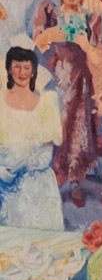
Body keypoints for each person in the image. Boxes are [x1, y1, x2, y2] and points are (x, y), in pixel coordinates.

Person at [31, 0, 102, 207]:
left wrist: (86, 44)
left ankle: (75, 182)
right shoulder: (52, 16)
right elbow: (38, 43)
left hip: (83, 80)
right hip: (58, 79)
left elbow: (99, 51)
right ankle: (50, 179)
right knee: (57, 128)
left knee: (79, 131)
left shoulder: (90, 17)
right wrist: (50, 42)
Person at [0, 46, 64, 228]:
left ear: (34, 71)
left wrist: (41, 161)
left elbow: (48, 147)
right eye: (17, 67)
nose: (22, 72)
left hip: (36, 179)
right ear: (9, 69)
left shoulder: (46, 102)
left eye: (27, 68)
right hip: (5, 180)